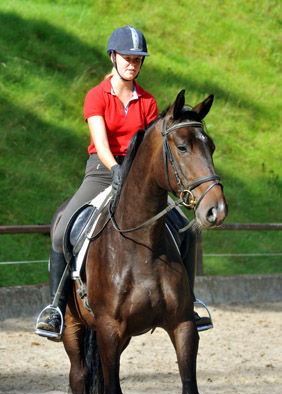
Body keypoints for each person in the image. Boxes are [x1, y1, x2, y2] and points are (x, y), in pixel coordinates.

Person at [36, 25, 212, 340]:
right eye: (127, 58)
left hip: (137, 177)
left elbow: (149, 147)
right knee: (63, 229)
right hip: (101, 171)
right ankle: (55, 308)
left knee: (185, 231)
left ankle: (190, 303)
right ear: (113, 57)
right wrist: (116, 167)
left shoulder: (148, 101)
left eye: (137, 59)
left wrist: (135, 174)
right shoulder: (96, 95)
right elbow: (100, 143)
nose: (132, 64)